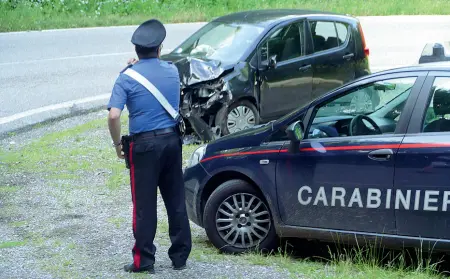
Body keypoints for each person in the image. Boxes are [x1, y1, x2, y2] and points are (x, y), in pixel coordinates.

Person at [106, 18, 192, 274]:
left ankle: (144, 259)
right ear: (160, 48)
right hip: (172, 140)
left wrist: (116, 144)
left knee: (144, 204)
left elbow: (113, 115)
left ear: (135, 51)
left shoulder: (126, 78)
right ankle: (180, 256)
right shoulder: (172, 70)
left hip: (143, 146)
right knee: (175, 198)